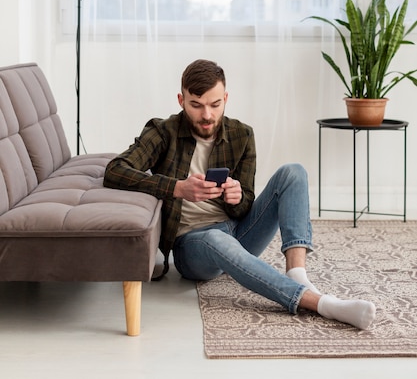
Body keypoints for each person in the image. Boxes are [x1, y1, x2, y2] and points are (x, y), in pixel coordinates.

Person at [104, 59, 376, 330]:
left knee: (293, 172)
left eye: (215, 104)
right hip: (193, 246)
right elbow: (115, 170)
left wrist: (236, 197)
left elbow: (245, 203)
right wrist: (178, 188)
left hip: (238, 231)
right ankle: (320, 304)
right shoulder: (163, 132)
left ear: (225, 98)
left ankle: (298, 275)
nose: (207, 115)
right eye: (196, 105)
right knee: (214, 237)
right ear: (181, 100)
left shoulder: (242, 135)